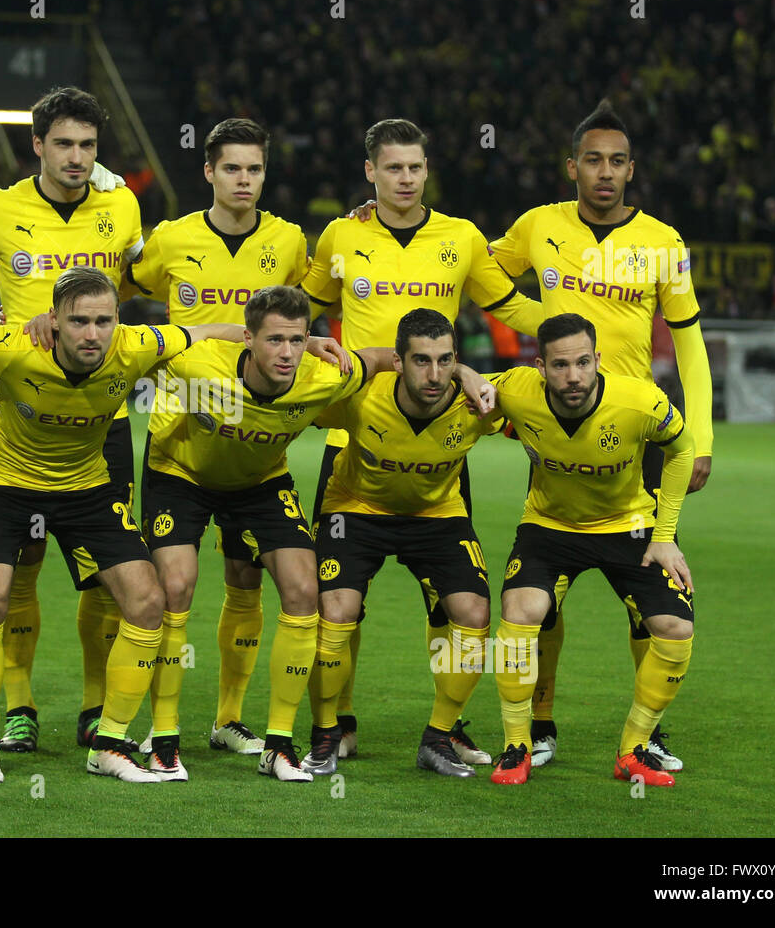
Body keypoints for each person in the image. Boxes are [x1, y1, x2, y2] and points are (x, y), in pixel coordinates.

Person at [0, 267, 300, 782]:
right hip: (5, 482)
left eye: (103, 321)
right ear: (53, 321)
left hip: (86, 486)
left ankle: (109, 744)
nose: (92, 334)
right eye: (79, 322)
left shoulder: (136, 345)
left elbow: (209, 331)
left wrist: (299, 346)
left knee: (147, 600)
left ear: (119, 320)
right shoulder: (9, 344)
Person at [138, 287, 487, 781]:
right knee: (175, 587)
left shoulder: (321, 375)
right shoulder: (197, 365)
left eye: (296, 340)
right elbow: (123, 345)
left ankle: (280, 744)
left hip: (260, 482)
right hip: (182, 476)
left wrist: (464, 372)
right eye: (275, 340)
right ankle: (164, 736)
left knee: (304, 591)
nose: (286, 352)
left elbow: (377, 357)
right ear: (248, 339)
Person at [300, 118, 543, 762]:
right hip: (356, 435)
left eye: (415, 168)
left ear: (426, 170)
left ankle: (446, 725)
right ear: (370, 172)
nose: (405, 179)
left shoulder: (460, 238)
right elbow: (301, 303)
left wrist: (573, 331)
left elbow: (509, 307)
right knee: (340, 603)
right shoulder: (340, 234)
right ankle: (337, 722)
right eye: (393, 168)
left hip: (437, 435)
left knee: (450, 602)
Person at [487, 99, 712, 770]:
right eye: (593, 159)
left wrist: (698, 438)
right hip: (558, 428)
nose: (605, 172)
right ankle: (541, 719)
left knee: (649, 593)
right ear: (573, 166)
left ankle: (646, 731)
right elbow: (481, 275)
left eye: (617, 161)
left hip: (636, 431)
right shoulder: (538, 225)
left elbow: (691, 346)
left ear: (631, 169)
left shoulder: (664, 243)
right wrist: (546, 321)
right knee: (543, 596)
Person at [0, 86, 142, 754]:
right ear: (36, 145)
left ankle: (94, 704)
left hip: (100, 421)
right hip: (21, 417)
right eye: (63, 143)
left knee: (107, 578)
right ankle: (20, 704)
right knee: (17, 568)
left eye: (88, 145)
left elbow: (142, 285)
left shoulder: (122, 207)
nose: (77, 157)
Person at [122, 117, 309, 756]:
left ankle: (228, 719)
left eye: (255, 169)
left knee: (246, 578)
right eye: (232, 168)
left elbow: (301, 312)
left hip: (255, 448)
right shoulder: (172, 239)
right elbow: (123, 282)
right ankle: (162, 728)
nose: (244, 180)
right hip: (180, 440)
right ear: (208, 172)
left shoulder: (288, 242)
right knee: (175, 586)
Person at [485, 313, 694, 786]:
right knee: (521, 609)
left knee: (675, 628)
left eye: (583, 362)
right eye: (560, 366)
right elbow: (464, 381)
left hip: (630, 525)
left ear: (598, 359)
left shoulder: (640, 401)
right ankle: (517, 744)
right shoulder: (516, 390)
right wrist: (458, 374)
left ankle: (635, 748)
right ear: (539, 366)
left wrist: (665, 536)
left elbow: (683, 449)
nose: (573, 376)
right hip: (549, 526)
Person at [302, 309, 503, 778]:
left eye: (445, 361)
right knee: (336, 608)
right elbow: (291, 395)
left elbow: (542, 404)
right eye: (421, 361)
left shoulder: (479, 405)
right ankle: (326, 732)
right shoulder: (359, 396)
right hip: (356, 508)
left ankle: (439, 736)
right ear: (398, 361)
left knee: (474, 613)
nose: (434, 375)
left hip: (437, 515)